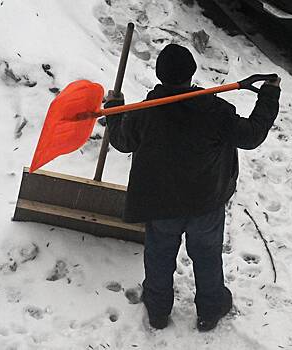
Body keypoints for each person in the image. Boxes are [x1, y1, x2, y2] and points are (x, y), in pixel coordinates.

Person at [104, 43, 281, 331]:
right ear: (191, 74)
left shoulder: (145, 114)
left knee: (159, 255)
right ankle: (210, 310)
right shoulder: (215, 111)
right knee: (207, 256)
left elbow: (123, 141)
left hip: (160, 205)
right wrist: (269, 96)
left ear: (160, 75)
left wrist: (114, 110)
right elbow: (251, 135)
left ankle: (158, 309)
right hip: (205, 204)